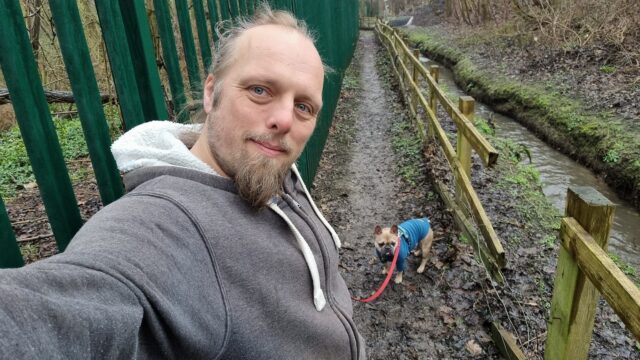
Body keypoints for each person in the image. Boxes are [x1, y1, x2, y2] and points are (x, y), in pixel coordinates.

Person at [0, 5, 365, 359]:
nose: (285, 119)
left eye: (304, 106)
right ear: (211, 93)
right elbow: (57, 312)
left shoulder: (263, 162)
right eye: (260, 90)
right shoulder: (160, 227)